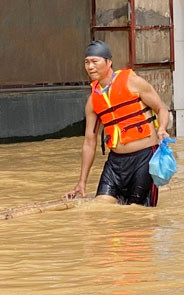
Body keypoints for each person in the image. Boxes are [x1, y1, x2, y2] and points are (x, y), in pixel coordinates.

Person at [66, 40, 170, 206]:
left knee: (136, 213)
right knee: (100, 209)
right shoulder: (93, 101)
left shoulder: (132, 82)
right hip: (115, 164)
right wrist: (82, 182)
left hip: (144, 158)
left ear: (108, 62)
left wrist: (162, 129)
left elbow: (161, 108)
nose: (90, 67)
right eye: (87, 62)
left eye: (95, 61)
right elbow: (89, 142)